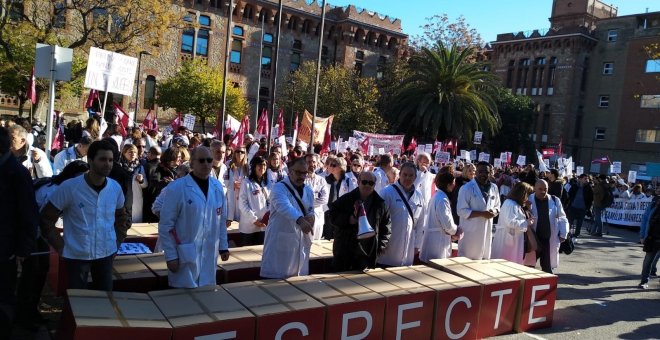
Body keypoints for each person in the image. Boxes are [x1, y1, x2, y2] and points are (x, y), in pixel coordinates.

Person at [40, 140, 129, 291]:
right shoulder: (69, 187)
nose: (107, 164)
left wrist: (117, 242)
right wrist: (60, 246)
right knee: (78, 300)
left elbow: (122, 218)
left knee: (105, 299)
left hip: (106, 253)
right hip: (77, 256)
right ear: (90, 160)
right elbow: (46, 218)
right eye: (102, 159)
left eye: (110, 160)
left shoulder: (115, 188)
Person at [16, 161, 88, 329]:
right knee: (31, 275)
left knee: (42, 271)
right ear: (73, 176)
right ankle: (23, 317)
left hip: (37, 234)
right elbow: (43, 218)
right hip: (29, 233)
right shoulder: (57, 189)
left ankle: (32, 311)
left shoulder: (59, 185)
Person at [158, 147, 229, 288]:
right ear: (191, 163)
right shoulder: (177, 188)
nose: (206, 164)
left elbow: (221, 220)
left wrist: (223, 246)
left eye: (209, 160)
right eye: (201, 160)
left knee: (206, 296)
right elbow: (166, 225)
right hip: (184, 254)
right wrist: (171, 256)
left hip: (209, 253)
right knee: (184, 299)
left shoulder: (217, 187)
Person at [0, 127, 39, 334]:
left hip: (6, 249)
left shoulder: (17, 173)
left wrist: (23, 249)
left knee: (4, 297)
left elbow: (28, 214)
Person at [260, 157, 315, 279]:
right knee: (277, 282)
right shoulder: (278, 188)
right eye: (298, 172)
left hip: (301, 242)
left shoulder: (308, 190)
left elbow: (311, 209)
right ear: (289, 171)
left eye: (304, 173)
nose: (301, 176)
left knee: (297, 282)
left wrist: (311, 217)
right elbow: (284, 206)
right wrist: (300, 220)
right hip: (281, 242)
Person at [329, 171, 391, 271]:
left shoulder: (380, 204)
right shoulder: (346, 199)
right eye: (364, 182)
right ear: (358, 182)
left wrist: (379, 249)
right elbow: (332, 216)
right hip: (344, 252)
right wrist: (348, 219)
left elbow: (386, 228)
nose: (367, 185)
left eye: (371, 183)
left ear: (374, 185)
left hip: (366, 254)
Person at [377, 162, 426, 267]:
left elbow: (420, 223)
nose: (407, 178)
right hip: (388, 249)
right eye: (404, 174)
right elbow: (378, 220)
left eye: (411, 175)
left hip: (408, 251)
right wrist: (380, 243)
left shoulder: (419, 197)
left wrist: (417, 245)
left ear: (415, 177)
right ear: (400, 174)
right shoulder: (387, 192)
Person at [456, 161, 501, 260]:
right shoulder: (466, 188)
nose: (483, 174)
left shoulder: (494, 187)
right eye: (480, 171)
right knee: (467, 262)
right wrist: (481, 214)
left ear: (490, 173)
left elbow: (498, 206)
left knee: (484, 261)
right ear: (476, 172)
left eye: (486, 172)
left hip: (487, 232)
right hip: (471, 233)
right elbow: (461, 210)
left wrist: (494, 212)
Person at [524, 180, 569, 273]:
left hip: (548, 240)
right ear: (534, 188)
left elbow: (562, 217)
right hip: (533, 239)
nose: (543, 191)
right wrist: (527, 208)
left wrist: (563, 233)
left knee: (547, 269)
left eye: (545, 189)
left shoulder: (554, 200)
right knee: (528, 267)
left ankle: (546, 286)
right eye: (540, 189)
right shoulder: (528, 199)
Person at [419, 166, 463, 262]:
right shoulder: (442, 199)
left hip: (434, 241)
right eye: (453, 181)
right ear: (448, 184)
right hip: (437, 245)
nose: (454, 184)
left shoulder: (437, 196)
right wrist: (457, 230)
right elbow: (448, 225)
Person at [491, 182, 535, 264]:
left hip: (513, 240)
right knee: (507, 263)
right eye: (527, 195)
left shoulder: (515, 204)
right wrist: (526, 222)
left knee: (512, 262)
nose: (528, 198)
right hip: (508, 240)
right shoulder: (510, 204)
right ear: (522, 193)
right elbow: (510, 222)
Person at [238, 156, 270, 246]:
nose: (262, 167)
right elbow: (242, 204)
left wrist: (266, 218)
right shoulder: (246, 182)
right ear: (254, 167)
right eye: (259, 165)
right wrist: (254, 220)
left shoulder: (266, 183)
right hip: (248, 228)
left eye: (264, 165)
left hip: (263, 227)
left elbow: (269, 201)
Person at [120, 144, 148, 223]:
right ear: (124, 153)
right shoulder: (119, 167)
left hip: (136, 198)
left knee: (136, 222)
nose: (133, 154)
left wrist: (141, 180)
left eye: (135, 152)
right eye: (130, 152)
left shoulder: (139, 167)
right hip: (123, 197)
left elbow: (145, 185)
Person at [304, 153, 329, 240]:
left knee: (316, 244)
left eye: (314, 162)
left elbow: (324, 199)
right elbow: (299, 198)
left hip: (318, 217)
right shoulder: (301, 180)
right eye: (309, 162)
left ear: (317, 163)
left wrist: (308, 202)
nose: (312, 164)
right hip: (304, 218)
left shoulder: (321, 180)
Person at [226, 145, 249, 225]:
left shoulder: (248, 167)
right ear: (234, 153)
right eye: (237, 151)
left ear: (245, 154)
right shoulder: (228, 165)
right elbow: (223, 181)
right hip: (231, 196)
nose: (239, 153)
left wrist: (242, 185)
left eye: (242, 152)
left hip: (243, 197)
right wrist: (232, 184)